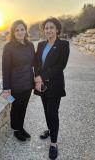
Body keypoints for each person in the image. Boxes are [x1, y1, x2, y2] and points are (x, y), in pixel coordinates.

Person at [34, 17, 70, 159]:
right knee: (46, 110)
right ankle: (50, 130)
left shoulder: (63, 45)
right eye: (46, 28)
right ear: (44, 31)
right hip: (41, 84)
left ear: (57, 29)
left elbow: (61, 65)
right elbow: (36, 63)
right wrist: (37, 78)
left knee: (53, 113)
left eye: (51, 27)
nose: (48, 30)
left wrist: (42, 77)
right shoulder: (41, 44)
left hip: (54, 85)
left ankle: (54, 143)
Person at [2, 20, 35, 142]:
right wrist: (6, 88)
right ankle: (16, 130)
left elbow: (34, 64)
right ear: (13, 32)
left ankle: (21, 127)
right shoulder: (8, 47)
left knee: (24, 107)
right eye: (17, 30)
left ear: (26, 30)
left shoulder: (30, 45)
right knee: (16, 108)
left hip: (28, 83)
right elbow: (5, 69)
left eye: (22, 29)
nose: (20, 32)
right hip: (15, 85)